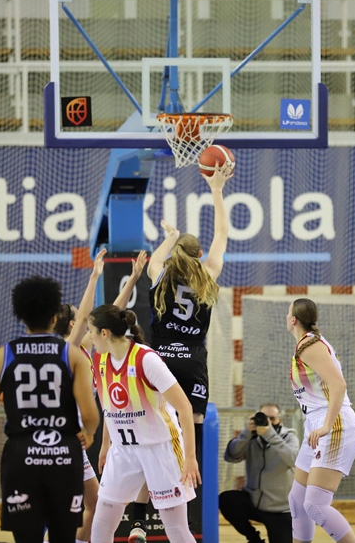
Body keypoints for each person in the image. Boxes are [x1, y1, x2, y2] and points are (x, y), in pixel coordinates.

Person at [131, 160, 232, 541]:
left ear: (175, 254)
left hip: (159, 362)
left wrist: (170, 236)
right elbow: (222, 233)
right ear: (199, 254)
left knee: (155, 438)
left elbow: (158, 257)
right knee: (192, 437)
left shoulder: (160, 274)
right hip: (192, 364)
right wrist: (217, 191)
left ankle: (139, 518)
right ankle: (186, 516)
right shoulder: (208, 276)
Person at [0, 275, 99, 543]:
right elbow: (90, 414)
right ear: (53, 317)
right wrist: (89, 431)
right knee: (63, 536)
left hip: (21, 456)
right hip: (62, 453)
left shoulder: (3, 356)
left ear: (21, 316)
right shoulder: (71, 355)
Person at [53, 250, 148, 543]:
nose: (88, 322)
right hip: (61, 439)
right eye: (80, 319)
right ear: (73, 326)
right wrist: (94, 276)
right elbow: (86, 315)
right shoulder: (67, 350)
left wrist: (133, 279)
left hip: (74, 440)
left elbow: (111, 313)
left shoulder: (86, 348)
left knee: (94, 505)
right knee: (69, 509)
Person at [86, 303, 201, 543]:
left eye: (91, 331)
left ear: (104, 333)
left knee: (176, 528)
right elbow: (111, 407)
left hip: (161, 449)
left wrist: (190, 457)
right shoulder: (99, 359)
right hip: (123, 451)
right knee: (102, 523)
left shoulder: (146, 359)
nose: (90, 337)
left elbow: (184, 407)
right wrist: (106, 444)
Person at [286, 298, 355, 543]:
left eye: (288, 312)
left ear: (293, 319)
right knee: (297, 499)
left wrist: (328, 425)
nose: (286, 317)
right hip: (318, 424)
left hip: (332, 425)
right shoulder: (308, 343)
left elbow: (339, 384)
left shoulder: (310, 345)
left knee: (315, 505)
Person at [220, 403, 299, 543]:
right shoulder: (251, 437)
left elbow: (294, 460)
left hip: (280, 510)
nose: (268, 422)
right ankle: (254, 539)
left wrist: (270, 435)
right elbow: (231, 456)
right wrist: (246, 434)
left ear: (280, 421)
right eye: (263, 417)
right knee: (227, 499)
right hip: (254, 502)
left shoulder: (289, 437)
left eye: (272, 418)